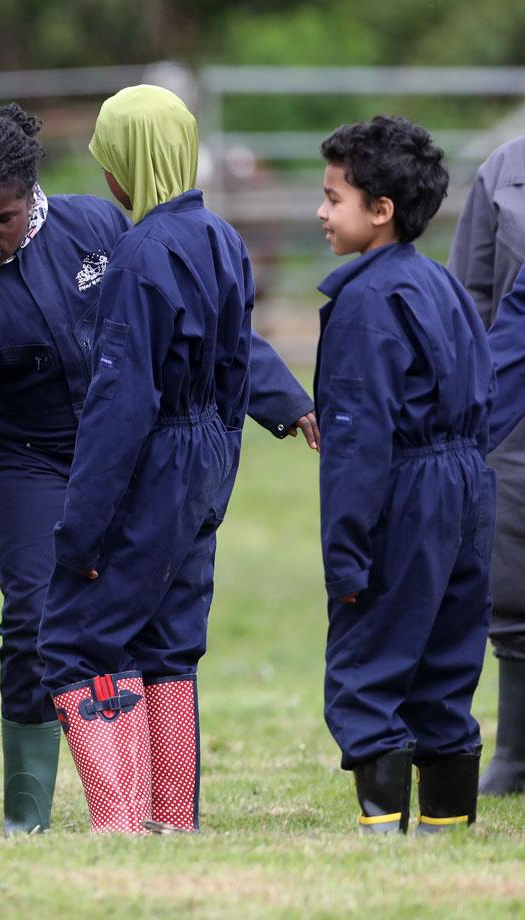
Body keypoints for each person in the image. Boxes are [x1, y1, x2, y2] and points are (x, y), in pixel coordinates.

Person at [0, 101, 315, 836]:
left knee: (139, 618)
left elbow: (186, 319)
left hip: (133, 450)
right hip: (32, 464)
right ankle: (27, 816)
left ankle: (154, 817)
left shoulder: (99, 230)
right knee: (34, 618)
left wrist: (285, 400)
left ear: (32, 196)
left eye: (1, 217)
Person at [26, 85, 253, 834]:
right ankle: (172, 823)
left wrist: (82, 530)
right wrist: (217, 479)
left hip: (154, 459)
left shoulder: (138, 256)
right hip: (206, 455)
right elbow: (236, 371)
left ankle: (119, 828)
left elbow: (120, 406)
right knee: (169, 638)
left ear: (126, 163)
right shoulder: (223, 238)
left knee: (76, 638)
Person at [316, 116, 493, 834]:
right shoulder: (441, 285)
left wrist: (346, 556)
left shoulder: (363, 304)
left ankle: (380, 832)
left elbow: (358, 440)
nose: (322, 214)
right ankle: (447, 827)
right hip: (466, 489)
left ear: (380, 211)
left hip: (406, 491)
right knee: (447, 663)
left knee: (370, 661)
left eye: (334, 198)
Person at [448, 134, 525, 796]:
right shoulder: (506, 167)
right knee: (512, 573)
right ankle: (518, 750)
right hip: (513, 407)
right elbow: (472, 296)